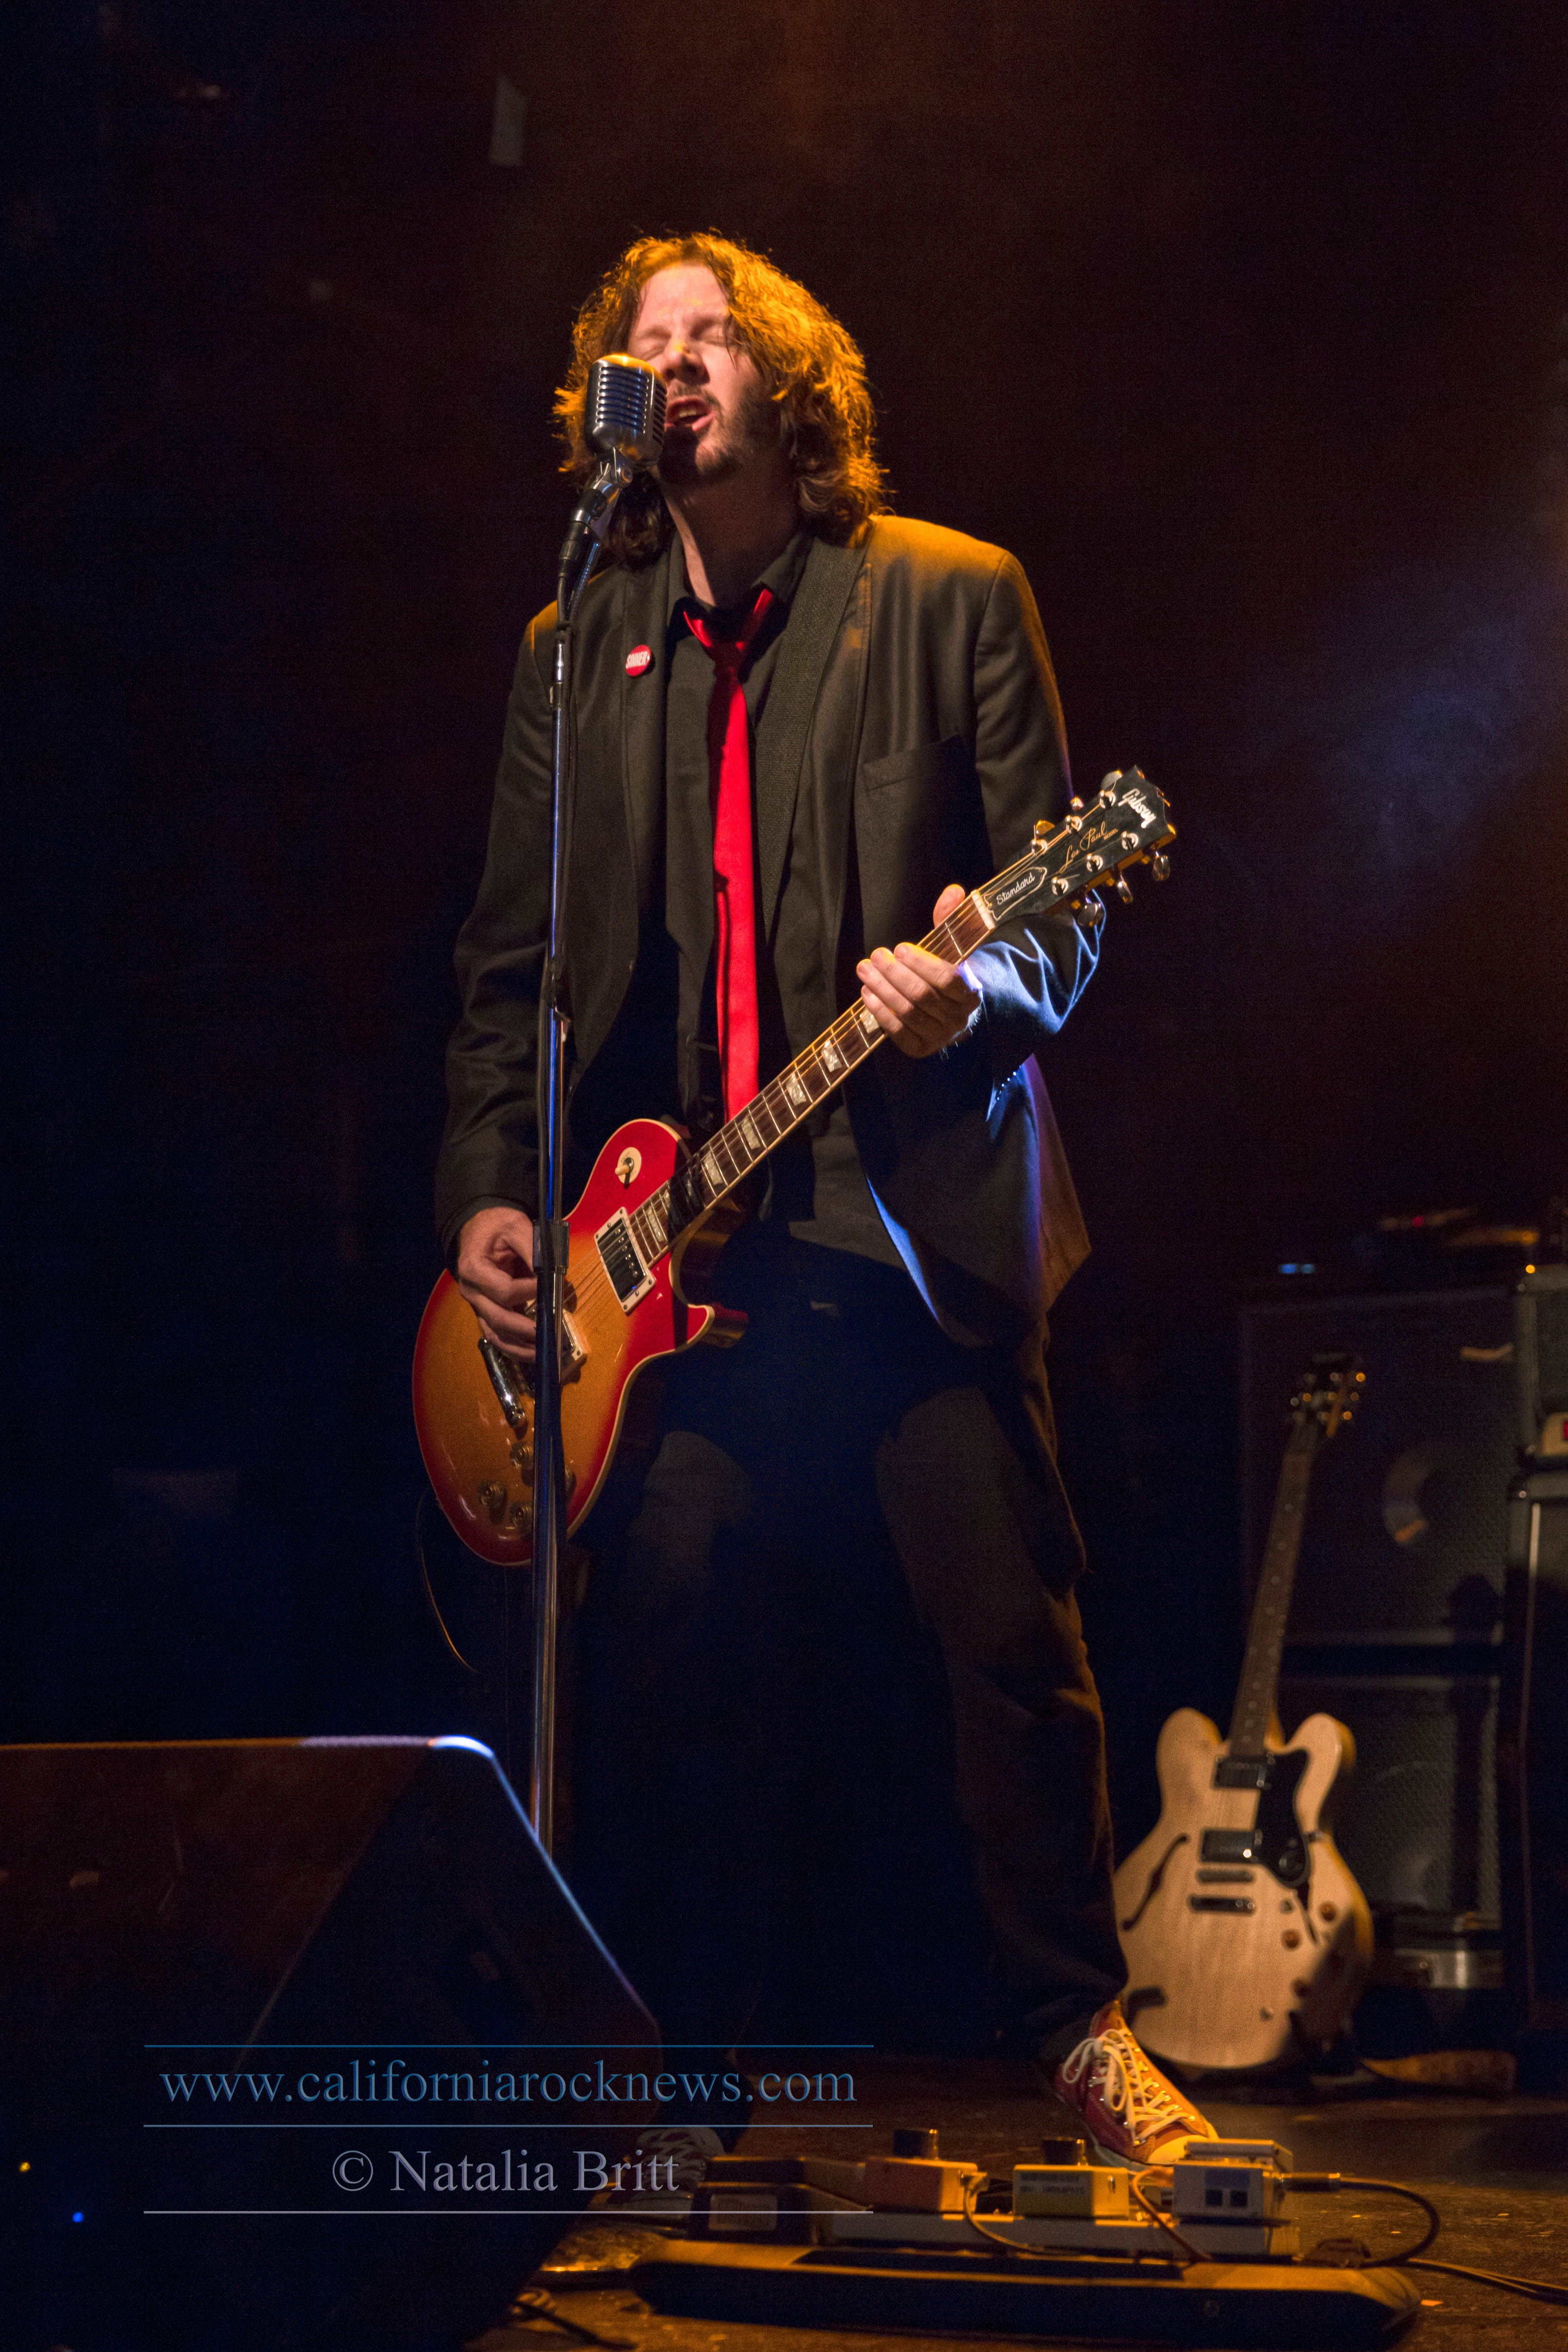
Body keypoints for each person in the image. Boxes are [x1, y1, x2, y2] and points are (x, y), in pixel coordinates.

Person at [434, 233, 1214, 2167]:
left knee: (1011, 1641)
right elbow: (513, 972)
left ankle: (1080, 2031)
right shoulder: (574, 648)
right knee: (664, 1647)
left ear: (787, 382)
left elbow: (1062, 920)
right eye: (646, 343)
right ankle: (667, 2074)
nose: (676, 361)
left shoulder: (949, 595)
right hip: (682, 1253)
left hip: (907, 1221)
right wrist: (493, 1197)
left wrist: (971, 990)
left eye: (713, 334)